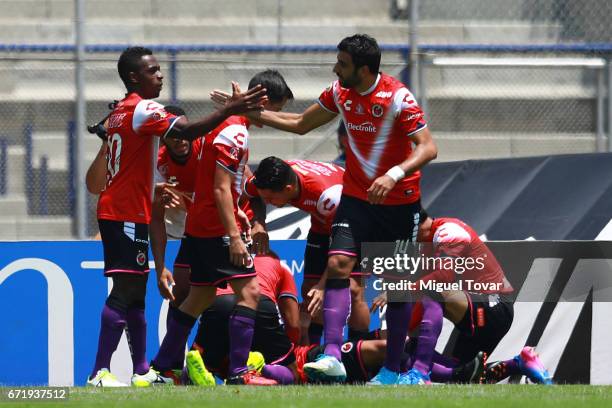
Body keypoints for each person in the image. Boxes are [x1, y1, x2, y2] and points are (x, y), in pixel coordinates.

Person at [213, 34, 437, 384]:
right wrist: (243, 109)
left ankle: (394, 369)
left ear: (364, 69)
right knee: (337, 264)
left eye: (342, 63)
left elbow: (427, 147)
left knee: (398, 287)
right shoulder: (340, 92)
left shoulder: (397, 97)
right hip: (357, 197)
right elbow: (301, 124)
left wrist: (393, 175)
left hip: (399, 201)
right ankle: (332, 354)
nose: (336, 68)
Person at [84, 46, 267, 387]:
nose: (161, 75)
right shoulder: (143, 109)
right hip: (125, 211)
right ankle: (98, 373)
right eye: (153, 71)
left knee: (138, 293)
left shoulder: (121, 113)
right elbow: (185, 130)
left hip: (132, 211)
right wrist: (230, 108)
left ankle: (144, 371)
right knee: (125, 292)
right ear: (134, 77)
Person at [149, 69, 294, 385]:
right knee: (251, 291)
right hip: (215, 226)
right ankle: (240, 372)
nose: (274, 119)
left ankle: (162, 368)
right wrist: (233, 236)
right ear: (263, 102)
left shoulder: (228, 126)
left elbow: (223, 186)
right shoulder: (234, 132)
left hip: (202, 223)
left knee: (198, 297)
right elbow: (219, 187)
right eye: (276, 111)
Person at [245, 156, 371, 344]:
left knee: (352, 289)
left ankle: (358, 353)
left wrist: (323, 286)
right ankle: (311, 353)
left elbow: (342, 253)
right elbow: (253, 194)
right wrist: (259, 223)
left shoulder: (326, 196)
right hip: (322, 222)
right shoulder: (271, 177)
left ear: (288, 189)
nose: (268, 203)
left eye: (271, 198)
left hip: (359, 222)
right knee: (310, 290)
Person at [187, 253, 299, 385]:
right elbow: (293, 323)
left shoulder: (219, 254)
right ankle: (259, 369)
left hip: (219, 303)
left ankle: (191, 372)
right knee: (292, 372)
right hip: (259, 304)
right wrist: (289, 353)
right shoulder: (278, 262)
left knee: (204, 365)